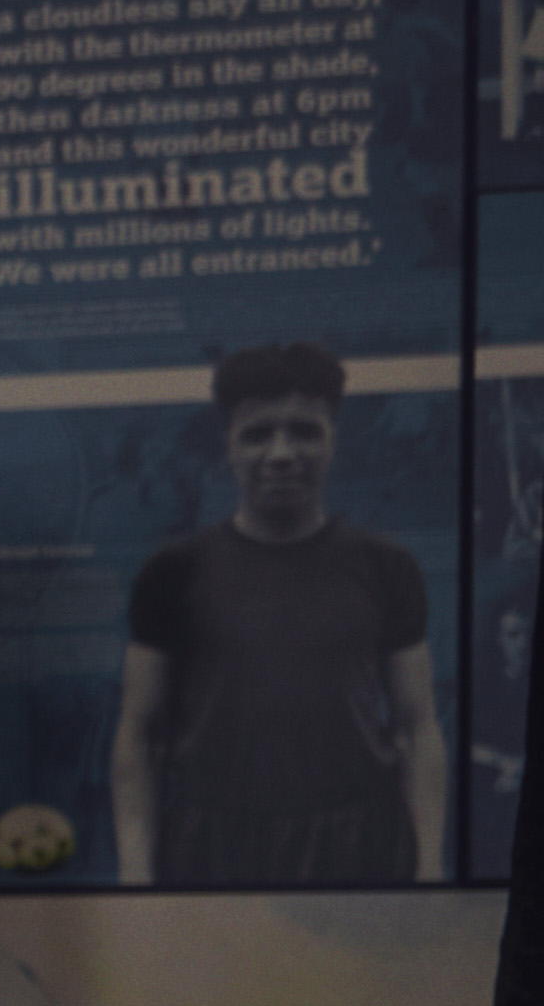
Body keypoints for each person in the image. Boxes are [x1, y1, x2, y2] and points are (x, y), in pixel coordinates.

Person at [117, 342, 441, 886]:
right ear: (230, 447)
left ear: (333, 440)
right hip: (210, 851)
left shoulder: (387, 567)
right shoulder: (172, 572)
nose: (282, 452)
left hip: (356, 848)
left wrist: (430, 867)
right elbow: (139, 734)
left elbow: (417, 727)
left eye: (304, 431)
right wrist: (134, 870)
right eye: (258, 433)